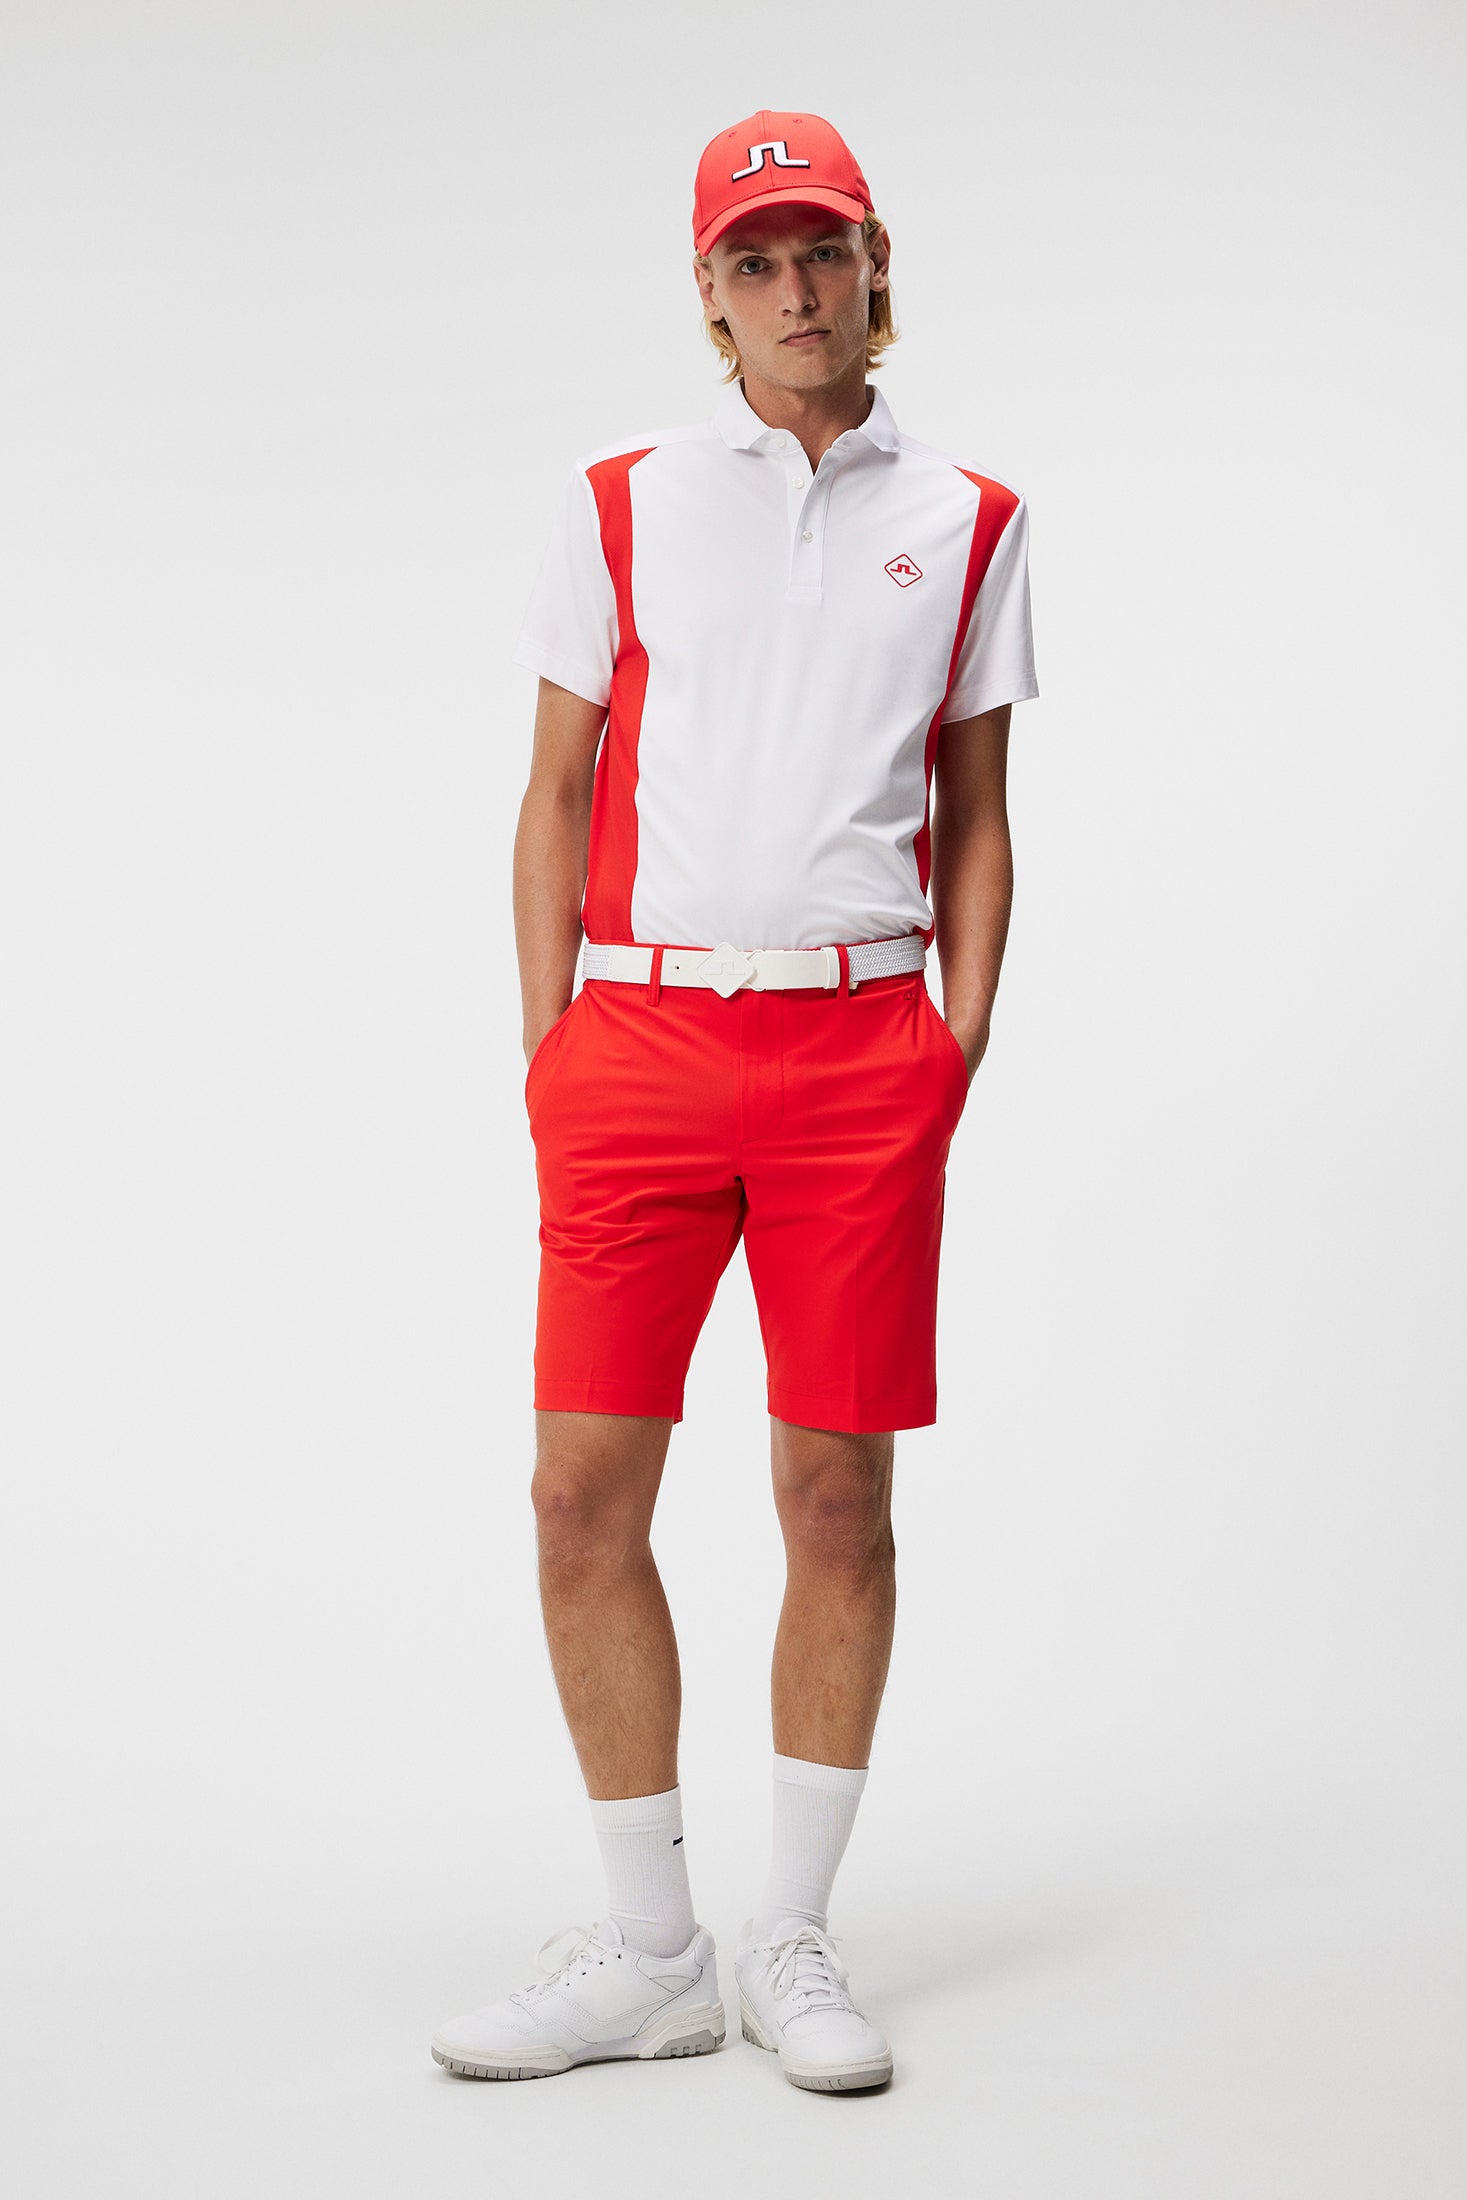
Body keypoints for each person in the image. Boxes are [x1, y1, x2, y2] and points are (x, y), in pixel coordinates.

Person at [431, 107, 1038, 2093]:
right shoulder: (618, 499)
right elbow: (552, 785)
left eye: (821, 249)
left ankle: (789, 1933)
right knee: (576, 1490)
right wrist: (553, 1043)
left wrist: (951, 1042)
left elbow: (975, 811)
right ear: (709, 292)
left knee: (834, 1492)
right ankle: (650, 1947)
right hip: (638, 1048)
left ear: (875, 263)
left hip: (861, 1056)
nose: (794, 288)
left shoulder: (968, 517)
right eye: (753, 260)